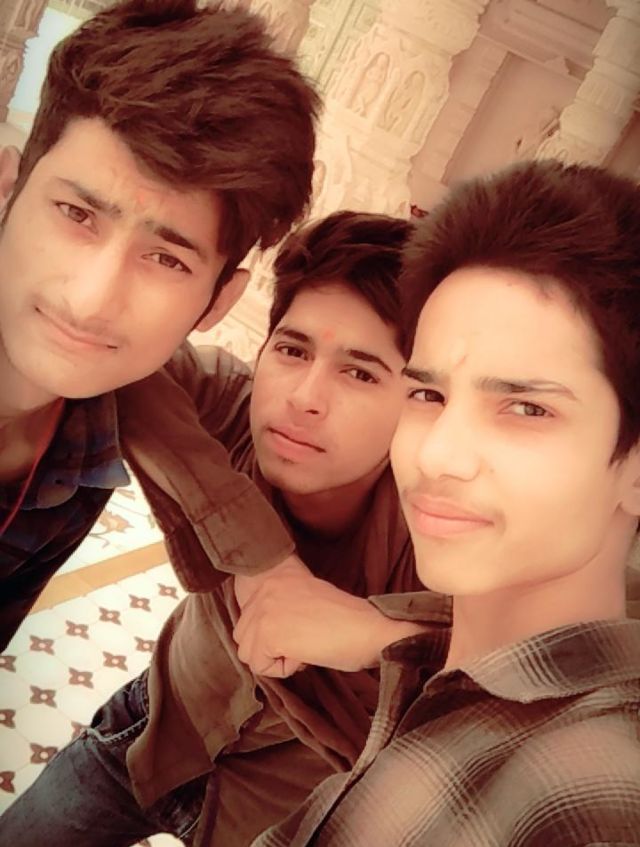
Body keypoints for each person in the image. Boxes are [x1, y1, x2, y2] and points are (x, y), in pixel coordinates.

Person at [0, 211, 451, 846]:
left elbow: (547, 672)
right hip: (155, 725)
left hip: (280, 812)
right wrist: (264, 559)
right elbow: (125, 366)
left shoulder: (441, 528)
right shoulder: (231, 407)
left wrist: (380, 637)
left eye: (360, 372)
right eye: (293, 350)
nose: (304, 397)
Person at [248, 160, 640, 846]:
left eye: (526, 408)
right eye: (428, 394)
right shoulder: (446, 678)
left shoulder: (598, 793)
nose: (436, 455)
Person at [0, 0, 319, 650]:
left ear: (219, 301)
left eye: (167, 259)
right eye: (76, 214)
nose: (91, 300)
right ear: (7, 187)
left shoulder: (82, 452)